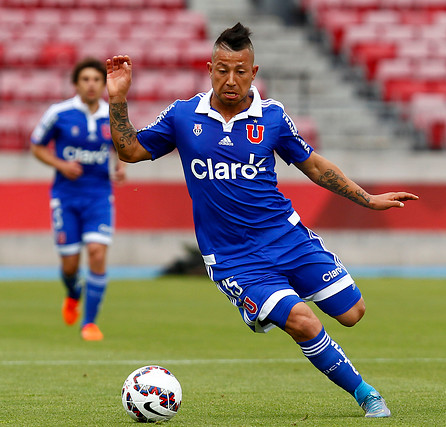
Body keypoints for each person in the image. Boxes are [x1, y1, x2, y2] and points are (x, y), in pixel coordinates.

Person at [106, 23, 418, 417]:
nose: (230, 80)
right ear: (209, 69)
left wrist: (369, 199)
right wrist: (118, 99)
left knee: (353, 313)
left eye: (240, 71)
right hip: (234, 258)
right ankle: (366, 394)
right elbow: (130, 151)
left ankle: (280, 299)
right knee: (303, 322)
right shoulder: (184, 115)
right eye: (222, 70)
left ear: (254, 73)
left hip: (287, 238)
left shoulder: (271, 117)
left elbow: (316, 166)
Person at [31, 58, 126, 341]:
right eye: (85, 79)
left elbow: (123, 147)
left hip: (98, 195)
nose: (92, 85)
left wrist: (121, 166)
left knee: (97, 252)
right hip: (66, 196)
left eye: (97, 79)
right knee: (70, 265)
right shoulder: (58, 113)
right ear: (76, 84)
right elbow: (36, 146)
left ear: (103, 84)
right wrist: (61, 165)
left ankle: (90, 323)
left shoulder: (113, 116)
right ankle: (73, 293)